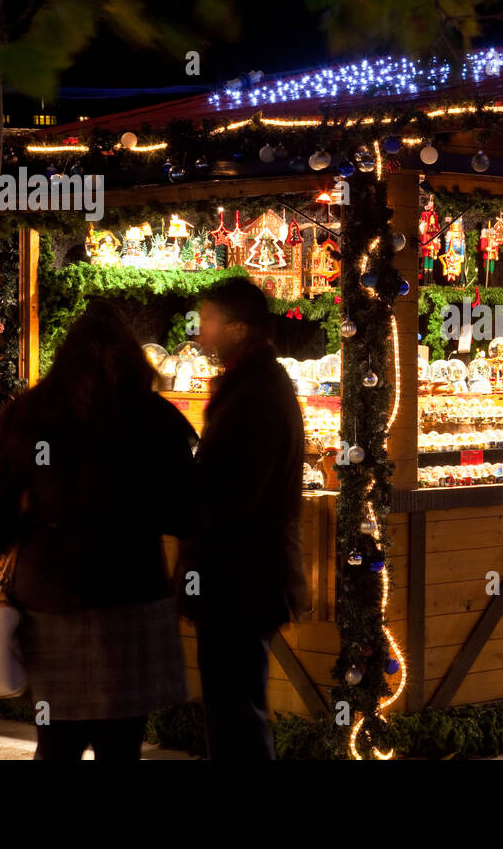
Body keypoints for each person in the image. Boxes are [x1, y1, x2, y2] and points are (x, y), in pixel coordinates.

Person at [0, 299, 198, 760]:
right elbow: (185, 512)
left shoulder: (30, 415)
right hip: (132, 591)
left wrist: (29, 531)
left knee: (56, 740)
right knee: (122, 744)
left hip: (52, 596)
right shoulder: (156, 419)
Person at [177, 277, 308, 760]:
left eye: (208, 319)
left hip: (240, 577)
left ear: (236, 327)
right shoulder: (255, 382)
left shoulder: (253, 391)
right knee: (236, 703)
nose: (200, 330)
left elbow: (231, 492)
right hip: (247, 575)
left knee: (235, 707)